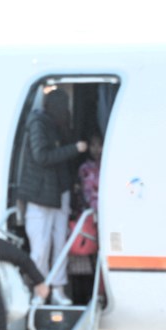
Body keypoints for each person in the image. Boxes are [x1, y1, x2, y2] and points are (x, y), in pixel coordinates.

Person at [17, 88, 87, 306]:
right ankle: (41, 290)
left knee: (59, 244)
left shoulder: (56, 126)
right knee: (41, 246)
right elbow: (42, 156)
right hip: (40, 195)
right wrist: (73, 148)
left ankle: (57, 289)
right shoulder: (38, 124)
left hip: (59, 192)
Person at [68, 130, 103, 305]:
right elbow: (87, 193)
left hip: (105, 217)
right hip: (90, 217)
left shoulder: (108, 165)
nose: (97, 149)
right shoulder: (86, 168)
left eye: (100, 145)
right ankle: (88, 295)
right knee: (88, 256)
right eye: (94, 145)